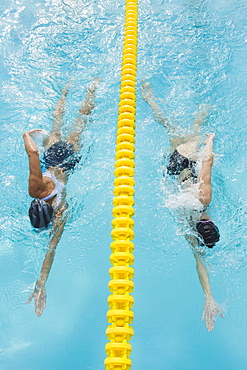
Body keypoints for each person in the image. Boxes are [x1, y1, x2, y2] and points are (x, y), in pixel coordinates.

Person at [142, 81, 223, 331]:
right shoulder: (188, 227)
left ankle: (200, 100)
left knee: (194, 128)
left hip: (187, 160)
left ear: (210, 222)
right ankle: (150, 98)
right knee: (169, 129)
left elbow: (207, 163)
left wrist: (209, 142)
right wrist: (208, 297)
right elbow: (200, 263)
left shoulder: (203, 199)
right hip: (173, 169)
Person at [23, 78, 99, 316]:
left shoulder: (61, 210)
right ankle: (66, 91)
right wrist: (26, 134)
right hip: (52, 158)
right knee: (57, 123)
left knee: (79, 125)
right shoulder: (36, 189)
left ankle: (91, 91)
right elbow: (33, 151)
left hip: (69, 163)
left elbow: (51, 249)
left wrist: (42, 283)